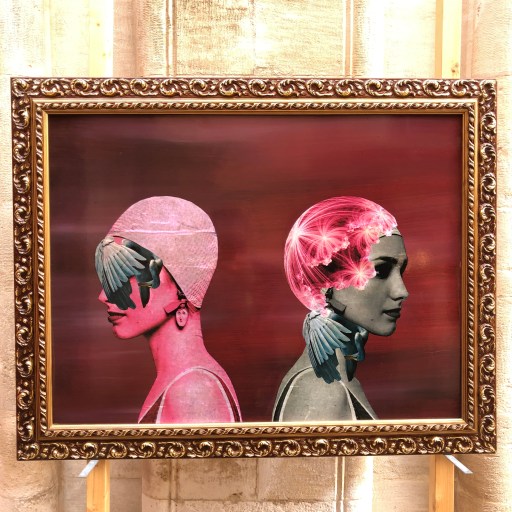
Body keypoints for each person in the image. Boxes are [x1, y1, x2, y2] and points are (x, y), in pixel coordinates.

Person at [95, 196, 241, 424]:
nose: (104, 295)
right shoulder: (185, 382)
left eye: (126, 276)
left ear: (181, 285)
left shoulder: (194, 389)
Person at [273, 196, 408, 422]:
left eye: (401, 271)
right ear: (325, 281)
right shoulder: (319, 389)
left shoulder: (339, 381)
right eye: (380, 271)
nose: (401, 291)